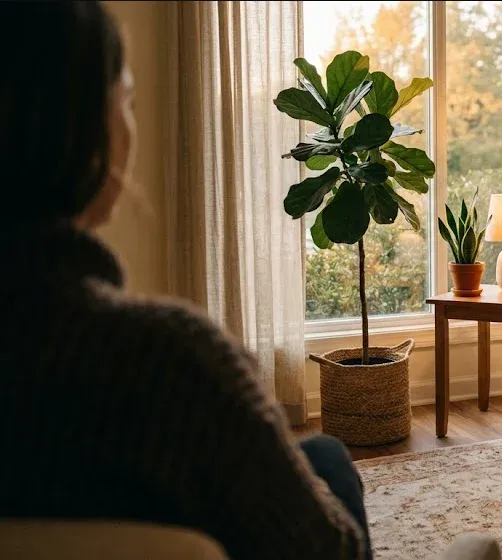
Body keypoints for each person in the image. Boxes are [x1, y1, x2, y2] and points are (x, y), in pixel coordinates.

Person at [0, 3, 371, 558]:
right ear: (78, 132)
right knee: (332, 469)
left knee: (324, 457)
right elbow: (327, 551)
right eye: (124, 101)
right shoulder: (166, 362)